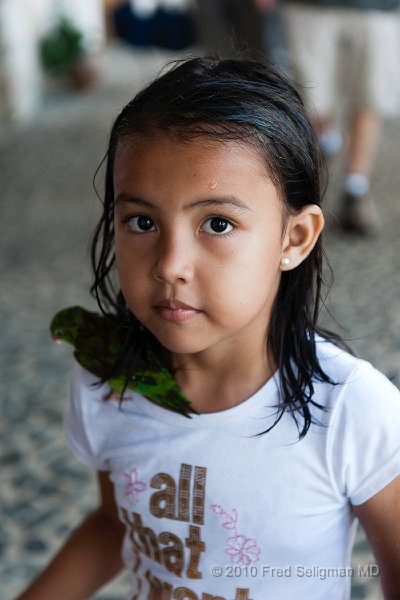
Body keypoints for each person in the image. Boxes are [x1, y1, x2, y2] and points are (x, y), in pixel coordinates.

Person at [15, 57, 400, 599]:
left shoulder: (353, 413)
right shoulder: (109, 383)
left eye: (217, 224)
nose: (170, 263)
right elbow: (116, 523)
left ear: (293, 238)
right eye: (142, 222)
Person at [256, 0, 400, 235]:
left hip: (377, 7)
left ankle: (355, 187)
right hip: (309, 7)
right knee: (312, 100)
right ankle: (325, 147)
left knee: (371, 97)